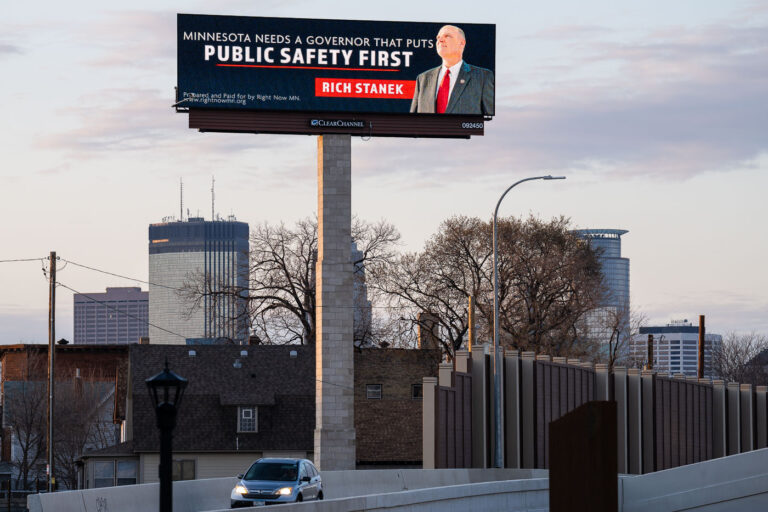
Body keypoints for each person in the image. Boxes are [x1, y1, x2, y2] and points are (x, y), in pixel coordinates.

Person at [410, 25, 494, 115]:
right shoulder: (423, 78)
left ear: (462, 43)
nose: (440, 40)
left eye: (447, 36)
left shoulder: (482, 77)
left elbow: (490, 116)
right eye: (438, 37)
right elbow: (413, 120)